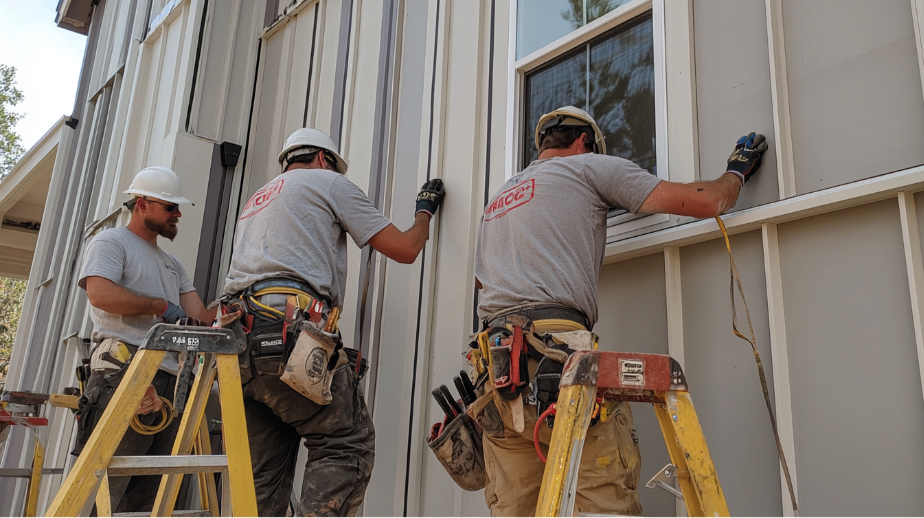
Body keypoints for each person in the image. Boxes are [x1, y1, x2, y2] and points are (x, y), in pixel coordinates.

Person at [471, 106, 768, 516]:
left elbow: (482, 283)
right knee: (603, 501)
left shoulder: (498, 201)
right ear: (584, 143)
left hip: (497, 377)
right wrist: (735, 172)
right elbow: (708, 202)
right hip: (557, 361)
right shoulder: (589, 168)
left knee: (518, 509)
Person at [223, 127, 445, 518]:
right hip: (287, 335)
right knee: (348, 442)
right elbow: (406, 249)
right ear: (325, 160)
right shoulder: (327, 183)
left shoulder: (258, 200)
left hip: (239, 347)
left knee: (264, 481)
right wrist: (423, 214)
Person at [76, 166, 215, 514]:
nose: (177, 214)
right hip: (126, 372)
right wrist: (157, 306)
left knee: (149, 496)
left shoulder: (172, 264)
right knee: (109, 484)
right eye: (170, 207)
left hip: (169, 381)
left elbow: (200, 317)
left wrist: (236, 300)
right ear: (141, 204)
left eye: (177, 208)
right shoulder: (111, 242)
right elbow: (99, 293)